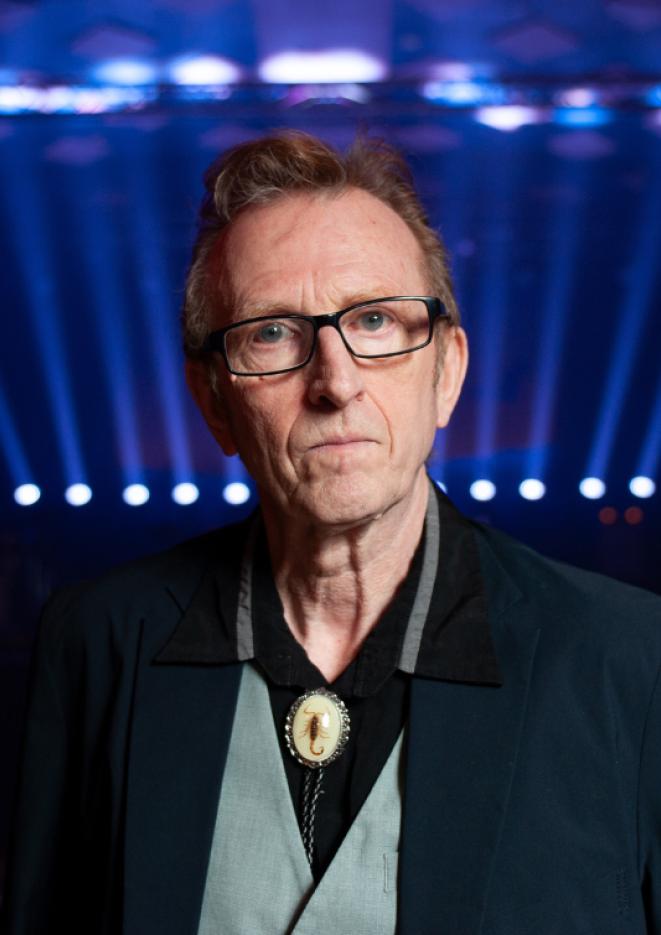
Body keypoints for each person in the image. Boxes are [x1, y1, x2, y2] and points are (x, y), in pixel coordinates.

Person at [2, 131, 661, 935]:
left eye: (375, 319)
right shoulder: (99, 641)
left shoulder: (631, 661)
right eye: (272, 332)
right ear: (213, 402)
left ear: (446, 371)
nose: (335, 381)